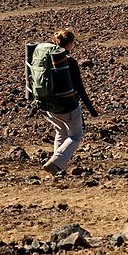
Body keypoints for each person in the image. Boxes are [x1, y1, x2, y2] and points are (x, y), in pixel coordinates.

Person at [41, 28, 97, 176]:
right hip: (67, 106)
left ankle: (58, 168)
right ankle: (57, 161)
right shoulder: (69, 62)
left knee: (61, 132)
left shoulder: (45, 59)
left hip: (49, 107)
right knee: (75, 135)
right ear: (70, 44)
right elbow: (80, 87)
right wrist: (92, 110)